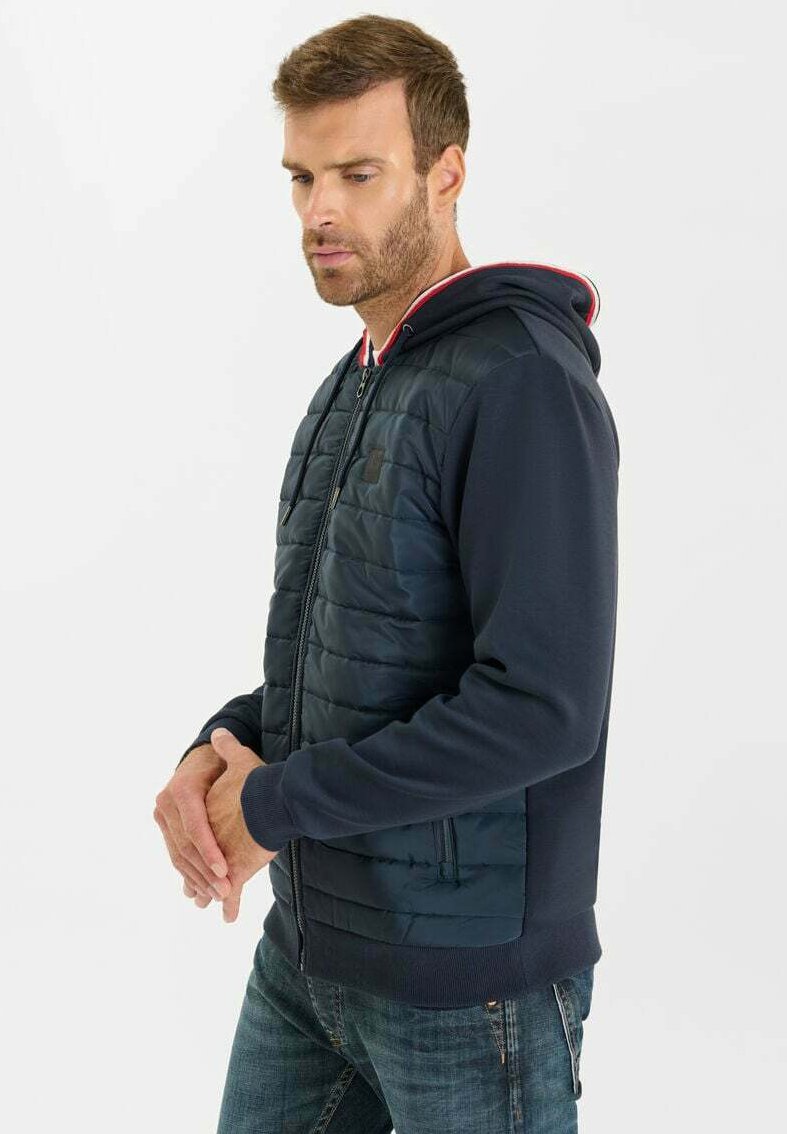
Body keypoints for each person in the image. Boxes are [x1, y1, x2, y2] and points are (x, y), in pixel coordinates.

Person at [153, 14, 619, 1133]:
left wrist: (275, 803)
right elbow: (357, 661)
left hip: (469, 990)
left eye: (357, 174)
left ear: (445, 174)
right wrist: (218, 747)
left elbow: (542, 709)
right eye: (302, 177)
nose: (320, 210)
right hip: (311, 957)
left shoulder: (521, 382)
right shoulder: (357, 380)